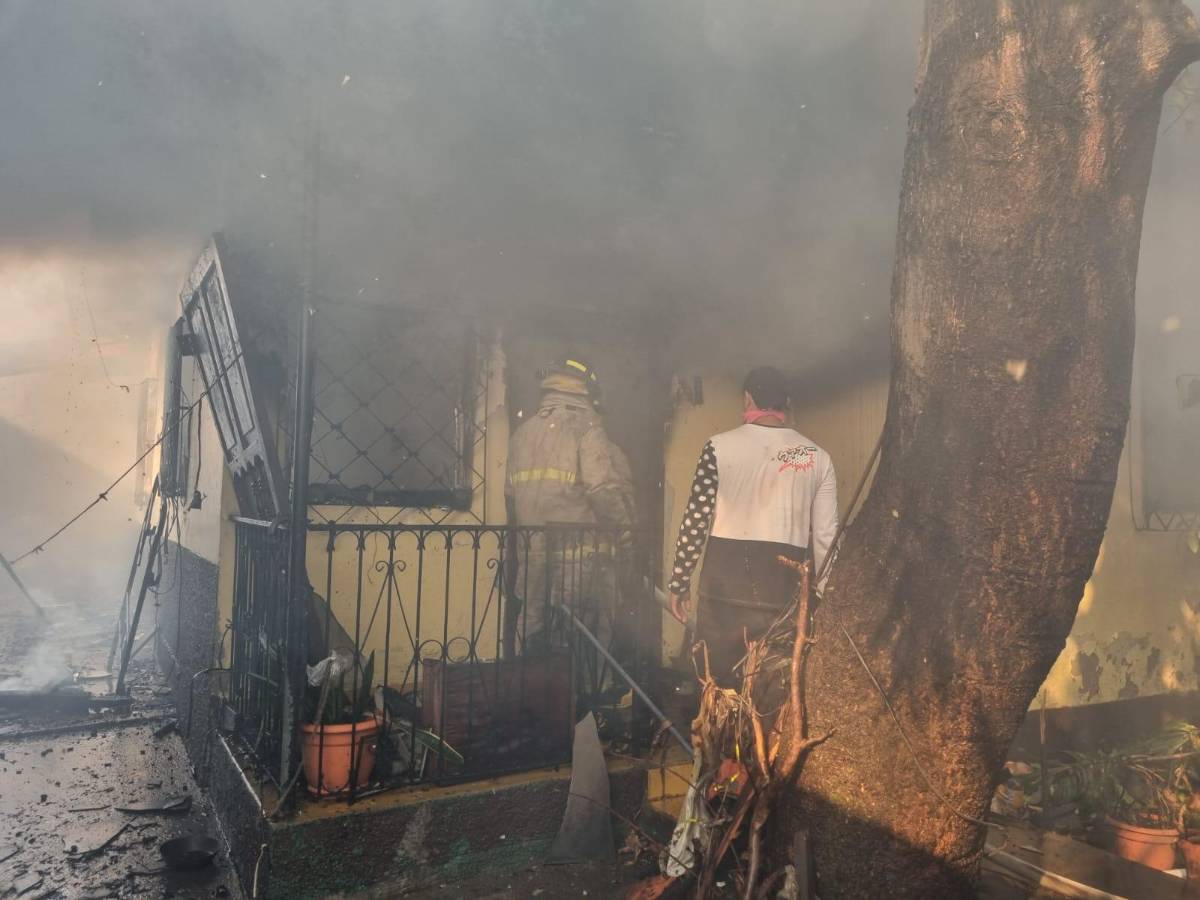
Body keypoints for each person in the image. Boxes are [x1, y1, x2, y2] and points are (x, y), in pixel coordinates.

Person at [667, 366, 838, 686]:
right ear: (786, 403)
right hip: (781, 597)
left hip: (723, 598)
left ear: (747, 399)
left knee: (717, 690)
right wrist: (826, 600)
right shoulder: (818, 458)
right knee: (772, 691)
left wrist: (679, 581)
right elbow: (827, 539)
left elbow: (696, 520)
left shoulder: (717, 447)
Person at [505, 356, 635, 654]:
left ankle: (529, 691)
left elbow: (510, 496)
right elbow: (601, 488)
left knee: (532, 625)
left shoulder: (521, 435)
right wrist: (625, 534)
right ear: (587, 389)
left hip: (532, 555)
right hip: (579, 559)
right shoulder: (586, 428)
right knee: (581, 636)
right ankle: (588, 697)